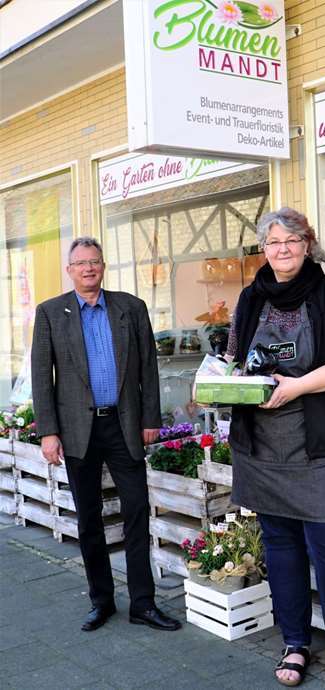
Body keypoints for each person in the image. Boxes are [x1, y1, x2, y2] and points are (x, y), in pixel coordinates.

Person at [226, 208, 325, 687]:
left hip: (324, 445)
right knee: (282, 549)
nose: (282, 249)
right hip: (264, 448)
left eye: (291, 240)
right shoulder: (250, 299)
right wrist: (222, 383)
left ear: (308, 244)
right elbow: (233, 360)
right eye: (273, 242)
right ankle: (295, 642)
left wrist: (296, 387)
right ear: (264, 249)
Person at [31, 237, 180, 633]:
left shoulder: (131, 308)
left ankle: (143, 604)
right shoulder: (50, 313)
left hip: (124, 424)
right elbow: (41, 378)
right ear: (70, 269)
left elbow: (148, 366)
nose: (88, 269)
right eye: (80, 263)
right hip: (78, 431)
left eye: (94, 262)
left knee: (135, 511)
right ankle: (101, 601)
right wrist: (48, 431)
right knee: (90, 519)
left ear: (103, 265)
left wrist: (151, 419)